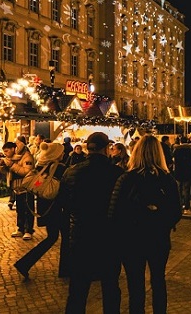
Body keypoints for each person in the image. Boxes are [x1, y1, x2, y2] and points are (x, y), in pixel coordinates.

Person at [108, 134, 182, 314]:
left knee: (135, 285)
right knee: (158, 280)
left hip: (131, 239)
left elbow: (114, 212)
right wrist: (160, 220)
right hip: (158, 238)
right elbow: (176, 212)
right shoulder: (167, 179)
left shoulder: (126, 179)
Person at [61, 132, 124, 313]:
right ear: (106, 149)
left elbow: (63, 203)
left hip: (81, 236)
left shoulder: (72, 172)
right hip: (109, 237)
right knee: (110, 288)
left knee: (78, 291)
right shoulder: (116, 173)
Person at [14, 141, 69, 280]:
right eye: (61, 152)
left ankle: (25, 263)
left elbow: (38, 185)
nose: (63, 154)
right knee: (62, 238)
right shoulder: (60, 168)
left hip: (45, 206)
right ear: (56, 154)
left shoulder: (41, 166)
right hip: (58, 208)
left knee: (53, 237)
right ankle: (64, 269)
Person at [0, 137, 36, 240]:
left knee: (28, 208)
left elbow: (27, 171)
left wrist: (11, 165)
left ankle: (28, 230)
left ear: (13, 149)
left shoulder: (26, 156)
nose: (5, 153)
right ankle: (20, 228)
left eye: (7, 151)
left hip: (27, 186)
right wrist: (2, 166)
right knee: (20, 208)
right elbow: (8, 172)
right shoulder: (13, 158)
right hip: (17, 187)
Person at [173, 136, 191, 214]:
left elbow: (174, 160)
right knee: (186, 190)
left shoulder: (176, 150)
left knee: (178, 190)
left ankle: (179, 206)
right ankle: (187, 207)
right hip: (188, 172)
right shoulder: (190, 150)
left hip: (178, 172)